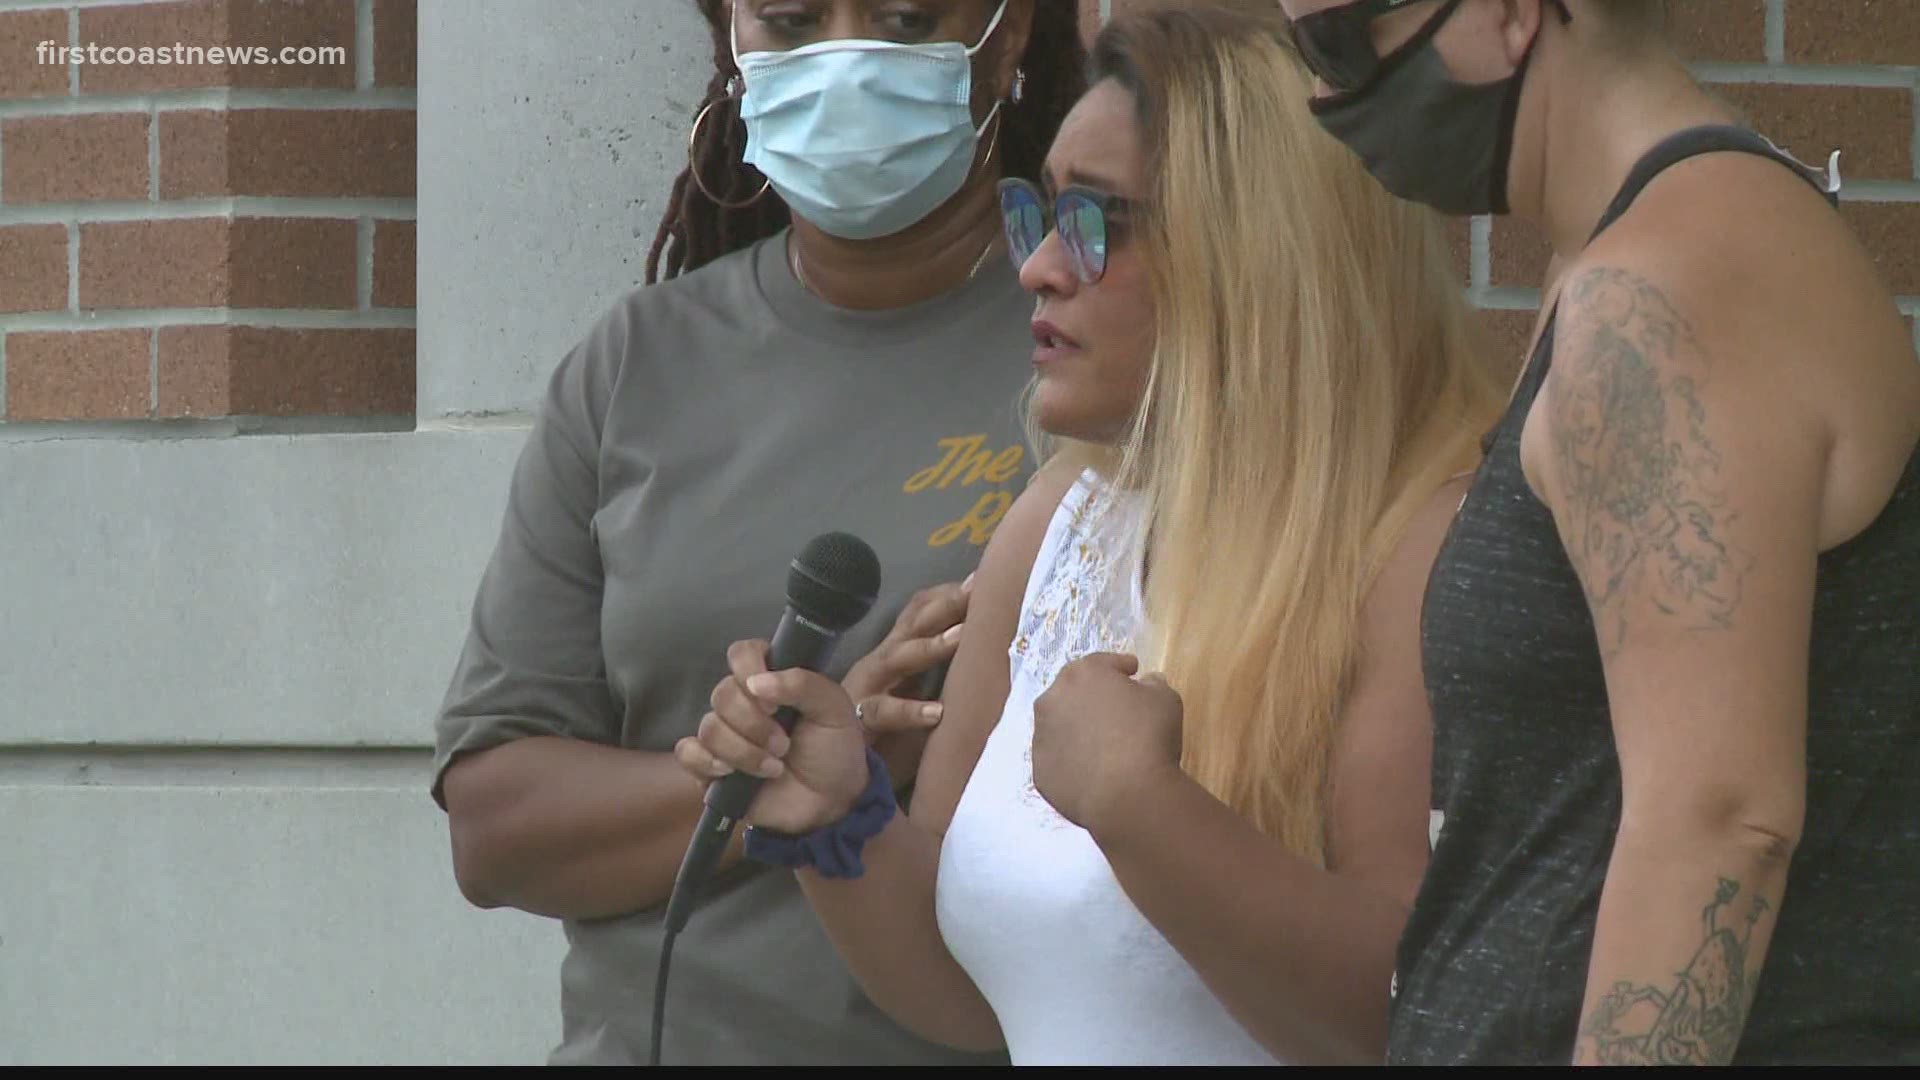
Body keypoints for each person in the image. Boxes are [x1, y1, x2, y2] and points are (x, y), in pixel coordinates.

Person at [673, 3, 1509, 1065]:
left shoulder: (1426, 547)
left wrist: (1142, 810)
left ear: (1258, 249)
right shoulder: (1057, 520)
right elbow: (979, 994)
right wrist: (836, 826)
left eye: (1097, 221)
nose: (1038, 269)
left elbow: (1417, 1016)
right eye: (1044, 214)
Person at [429, 0, 1089, 1066]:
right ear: (733, 46)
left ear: (1008, 38)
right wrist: (814, 764)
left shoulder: (1099, 352)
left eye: (905, 17)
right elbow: (496, 827)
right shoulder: (636, 362)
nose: (841, 56)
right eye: (788, 19)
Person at [1276, 0, 1920, 1065]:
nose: (1321, 95)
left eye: (1340, 43)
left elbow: (1720, 820)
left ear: (1509, 12)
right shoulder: (1631, 260)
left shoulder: (1668, 291)